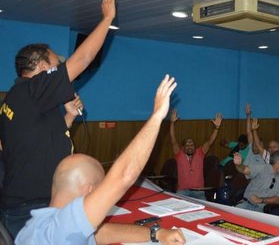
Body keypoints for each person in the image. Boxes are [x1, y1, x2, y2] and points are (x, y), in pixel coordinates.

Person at [0, 0, 116, 237]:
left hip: (28, 203)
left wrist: (70, 117)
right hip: (30, 207)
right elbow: (83, 58)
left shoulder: (19, 98)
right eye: (56, 63)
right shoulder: (31, 91)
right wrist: (107, 19)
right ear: (41, 67)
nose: (60, 67)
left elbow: (37, 139)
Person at [16, 75, 185, 245]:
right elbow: (123, 177)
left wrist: (155, 233)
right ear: (89, 191)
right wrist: (156, 117)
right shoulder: (60, 231)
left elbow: (99, 233)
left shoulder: (45, 222)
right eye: (100, 188)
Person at [169, 108, 223, 200]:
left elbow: (210, 142)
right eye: (187, 144)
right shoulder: (179, 155)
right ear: (183, 148)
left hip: (199, 192)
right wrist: (172, 123)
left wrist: (217, 128)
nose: (190, 146)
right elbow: (173, 140)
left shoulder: (200, 153)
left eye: (192, 144)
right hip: (183, 191)